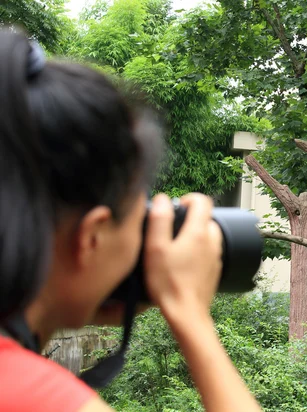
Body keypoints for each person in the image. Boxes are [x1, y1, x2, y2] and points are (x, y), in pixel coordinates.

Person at [0, 29, 262, 412]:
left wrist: (61, 307)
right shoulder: (41, 399)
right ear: (92, 237)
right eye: (140, 219)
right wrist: (191, 315)